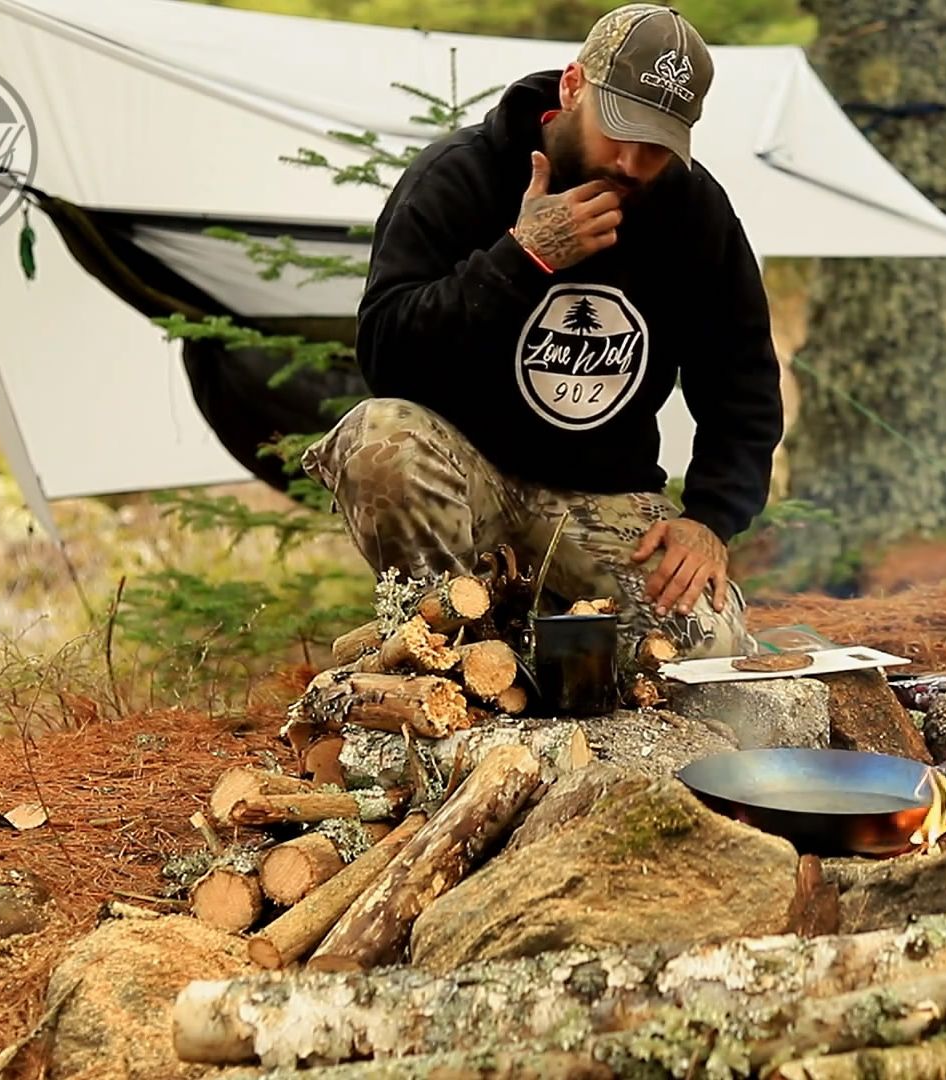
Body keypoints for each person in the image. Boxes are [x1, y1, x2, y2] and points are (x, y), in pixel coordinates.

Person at [302, 3, 784, 660]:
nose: (633, 162)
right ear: (572, 86)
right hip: (470, 480)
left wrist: (710, 518)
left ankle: (543, 630)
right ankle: (448, 650)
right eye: (620, 132)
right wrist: (519, 261)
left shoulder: (693, 210)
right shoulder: (460, 177)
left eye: (657, 146)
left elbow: (742, 381)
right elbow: (388, 354)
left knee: (711, 642)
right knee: (380, 438)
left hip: (601, 497)